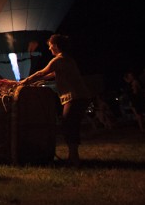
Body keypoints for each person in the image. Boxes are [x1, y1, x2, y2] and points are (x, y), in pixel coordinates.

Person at [19, 34, 92, 167]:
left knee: (68, 125)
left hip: (74, 97)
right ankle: (73, 157)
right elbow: (53, 73)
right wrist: (41, 81)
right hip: (82, 96)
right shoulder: (68, 59)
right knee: (71, 125)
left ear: (56, 46)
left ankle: (74, 159)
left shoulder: (57, 60)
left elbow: (41, 72)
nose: (49, 48)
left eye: (50, 46)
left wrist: (23, 82)